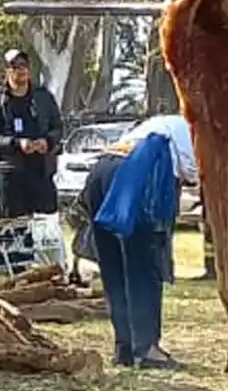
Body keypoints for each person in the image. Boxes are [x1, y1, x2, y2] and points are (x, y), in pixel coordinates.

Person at [76, 130, 181, 370]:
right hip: (137, 171)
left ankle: (123, 348)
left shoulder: (162, 125)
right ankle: (146, 350)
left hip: (101, 169)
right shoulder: (201, 130)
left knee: (112, 265)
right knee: (144, 264)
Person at [0, 49, 63, 220]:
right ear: (7, 70)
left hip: (41, 172)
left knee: (46, 228)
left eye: (24, 66)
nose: (21, 70)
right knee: (15, 231)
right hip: (11, 176)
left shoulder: (43, 96)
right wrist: (16, 144)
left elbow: (58, 127)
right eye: (15, 66)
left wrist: (48, 141)